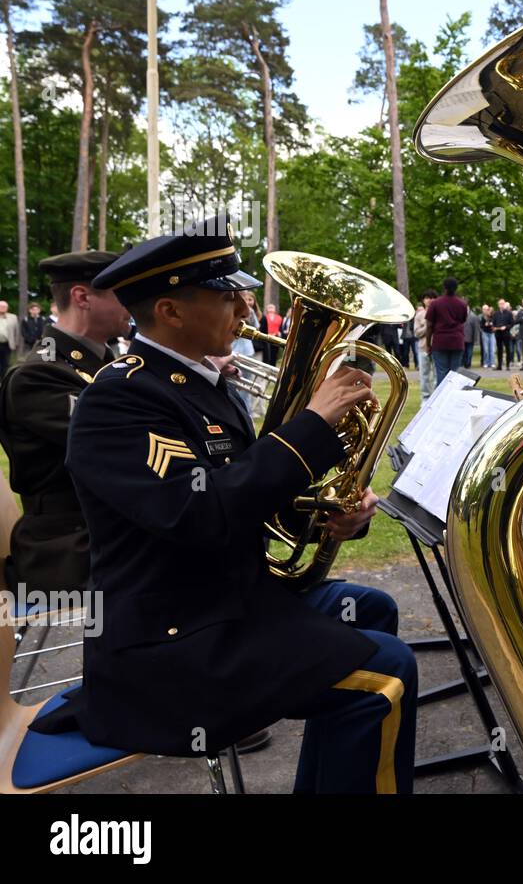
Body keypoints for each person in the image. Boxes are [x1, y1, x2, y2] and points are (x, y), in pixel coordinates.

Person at [28, 220, 418, 793]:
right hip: (169, 642)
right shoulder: (118, 397)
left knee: (372, 609)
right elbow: (199, 514)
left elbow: (257, 502)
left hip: (227, 599)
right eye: (227, 294)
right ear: (171, 311)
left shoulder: (198, 384)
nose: (245, 306)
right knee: (385, 676)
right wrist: (311, 425)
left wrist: (337, 516)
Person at [0, 251, 126, 592]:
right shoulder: (38, 376)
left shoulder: (108, 362)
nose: (134, 302)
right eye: (122, 292)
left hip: (107, 532)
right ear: (82, 297)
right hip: (69, 550)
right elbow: (122, 444)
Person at [426, 276, 469, 386]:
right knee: (454, 373)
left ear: (444, 287)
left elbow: (429, 325)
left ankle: (441, 400)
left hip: (440, 341)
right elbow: (463, 320)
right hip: (457, 341)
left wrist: (428, 344)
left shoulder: (435, 304)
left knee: (441, 373)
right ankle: (452, 399)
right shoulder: (462, 304)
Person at [413, 290, 434, 399]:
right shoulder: (419, 315)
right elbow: (416, 333)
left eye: (431, 297)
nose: (429, 300)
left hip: (436, 347)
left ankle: (436, 396)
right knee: (424, 374)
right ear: (423, 300)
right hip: (422, 347)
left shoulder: (438, 313)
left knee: (436, 375)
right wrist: (428, 326)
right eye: (427, 298)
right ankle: (425, 397)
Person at [492, 299, 514, 370]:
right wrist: (495, 328)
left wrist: (506, 327)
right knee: (499, 350)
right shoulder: (496, 313)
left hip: (506, 334)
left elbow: (512, 323)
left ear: (505, 304)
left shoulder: (509, 313)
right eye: (500, 304)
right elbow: (494, 323)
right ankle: (499, 366)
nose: (501, 305)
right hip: (498, 334)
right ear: (498, 305)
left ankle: (507, 365)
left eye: (502, 304)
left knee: (508, 349)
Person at [462, 294, 481, 373]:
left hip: (470, 337)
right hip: (461, 337)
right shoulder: (459, 313)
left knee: (469, 352)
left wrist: (476, 339)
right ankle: (463, 364)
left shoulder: (473, 316)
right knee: (462, 352)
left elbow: (476, 328)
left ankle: (468, 364)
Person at [0, 300, 20, 372]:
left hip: (7, 344)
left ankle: (3, 380)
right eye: (1, 306)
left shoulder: (13, 317)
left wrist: (16, 343)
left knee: (5, 363)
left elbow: (17, 331)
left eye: (5, 307)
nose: (3, 308)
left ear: (7, 308)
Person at [479, 304, 496, 368]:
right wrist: (485, 325)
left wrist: (492, 324)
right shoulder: (482, 317)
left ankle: (492, 362)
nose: (485, 310)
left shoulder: (492, 316)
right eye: (484, 309)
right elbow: (480, 326)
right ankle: (486, 362)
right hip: (485, 333)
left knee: (492, 349)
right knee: (486, 349)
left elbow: (495, 323)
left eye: (486, 309)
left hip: (491, 333)